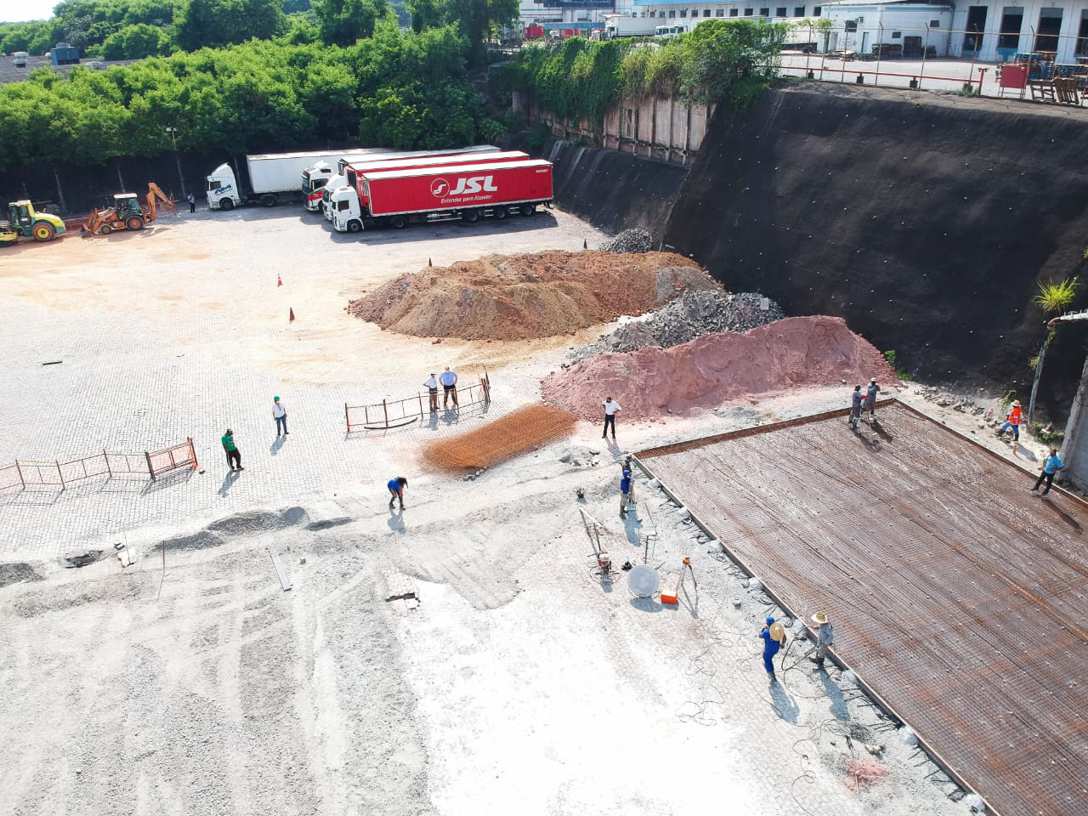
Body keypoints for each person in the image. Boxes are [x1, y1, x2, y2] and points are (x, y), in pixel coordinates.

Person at [759, 616, 785, 681]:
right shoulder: (778, 629)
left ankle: (771, 675)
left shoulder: (766, 632)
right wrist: (782, 644)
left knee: (766, 659)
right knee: (770, 659)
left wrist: (763, 629)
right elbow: (784, 637)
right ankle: (771, 670)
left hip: (769, 649)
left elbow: (760, 635)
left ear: (767, 624)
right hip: (776, 648)